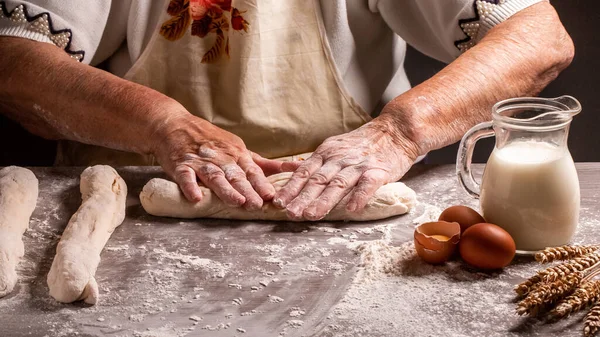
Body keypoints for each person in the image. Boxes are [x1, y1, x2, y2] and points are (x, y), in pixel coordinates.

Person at [0, 0, 573, 220]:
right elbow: (15, 61)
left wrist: (396, 135)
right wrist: (160, 123)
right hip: (128, 201)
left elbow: (537, 38)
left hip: (341, 199)